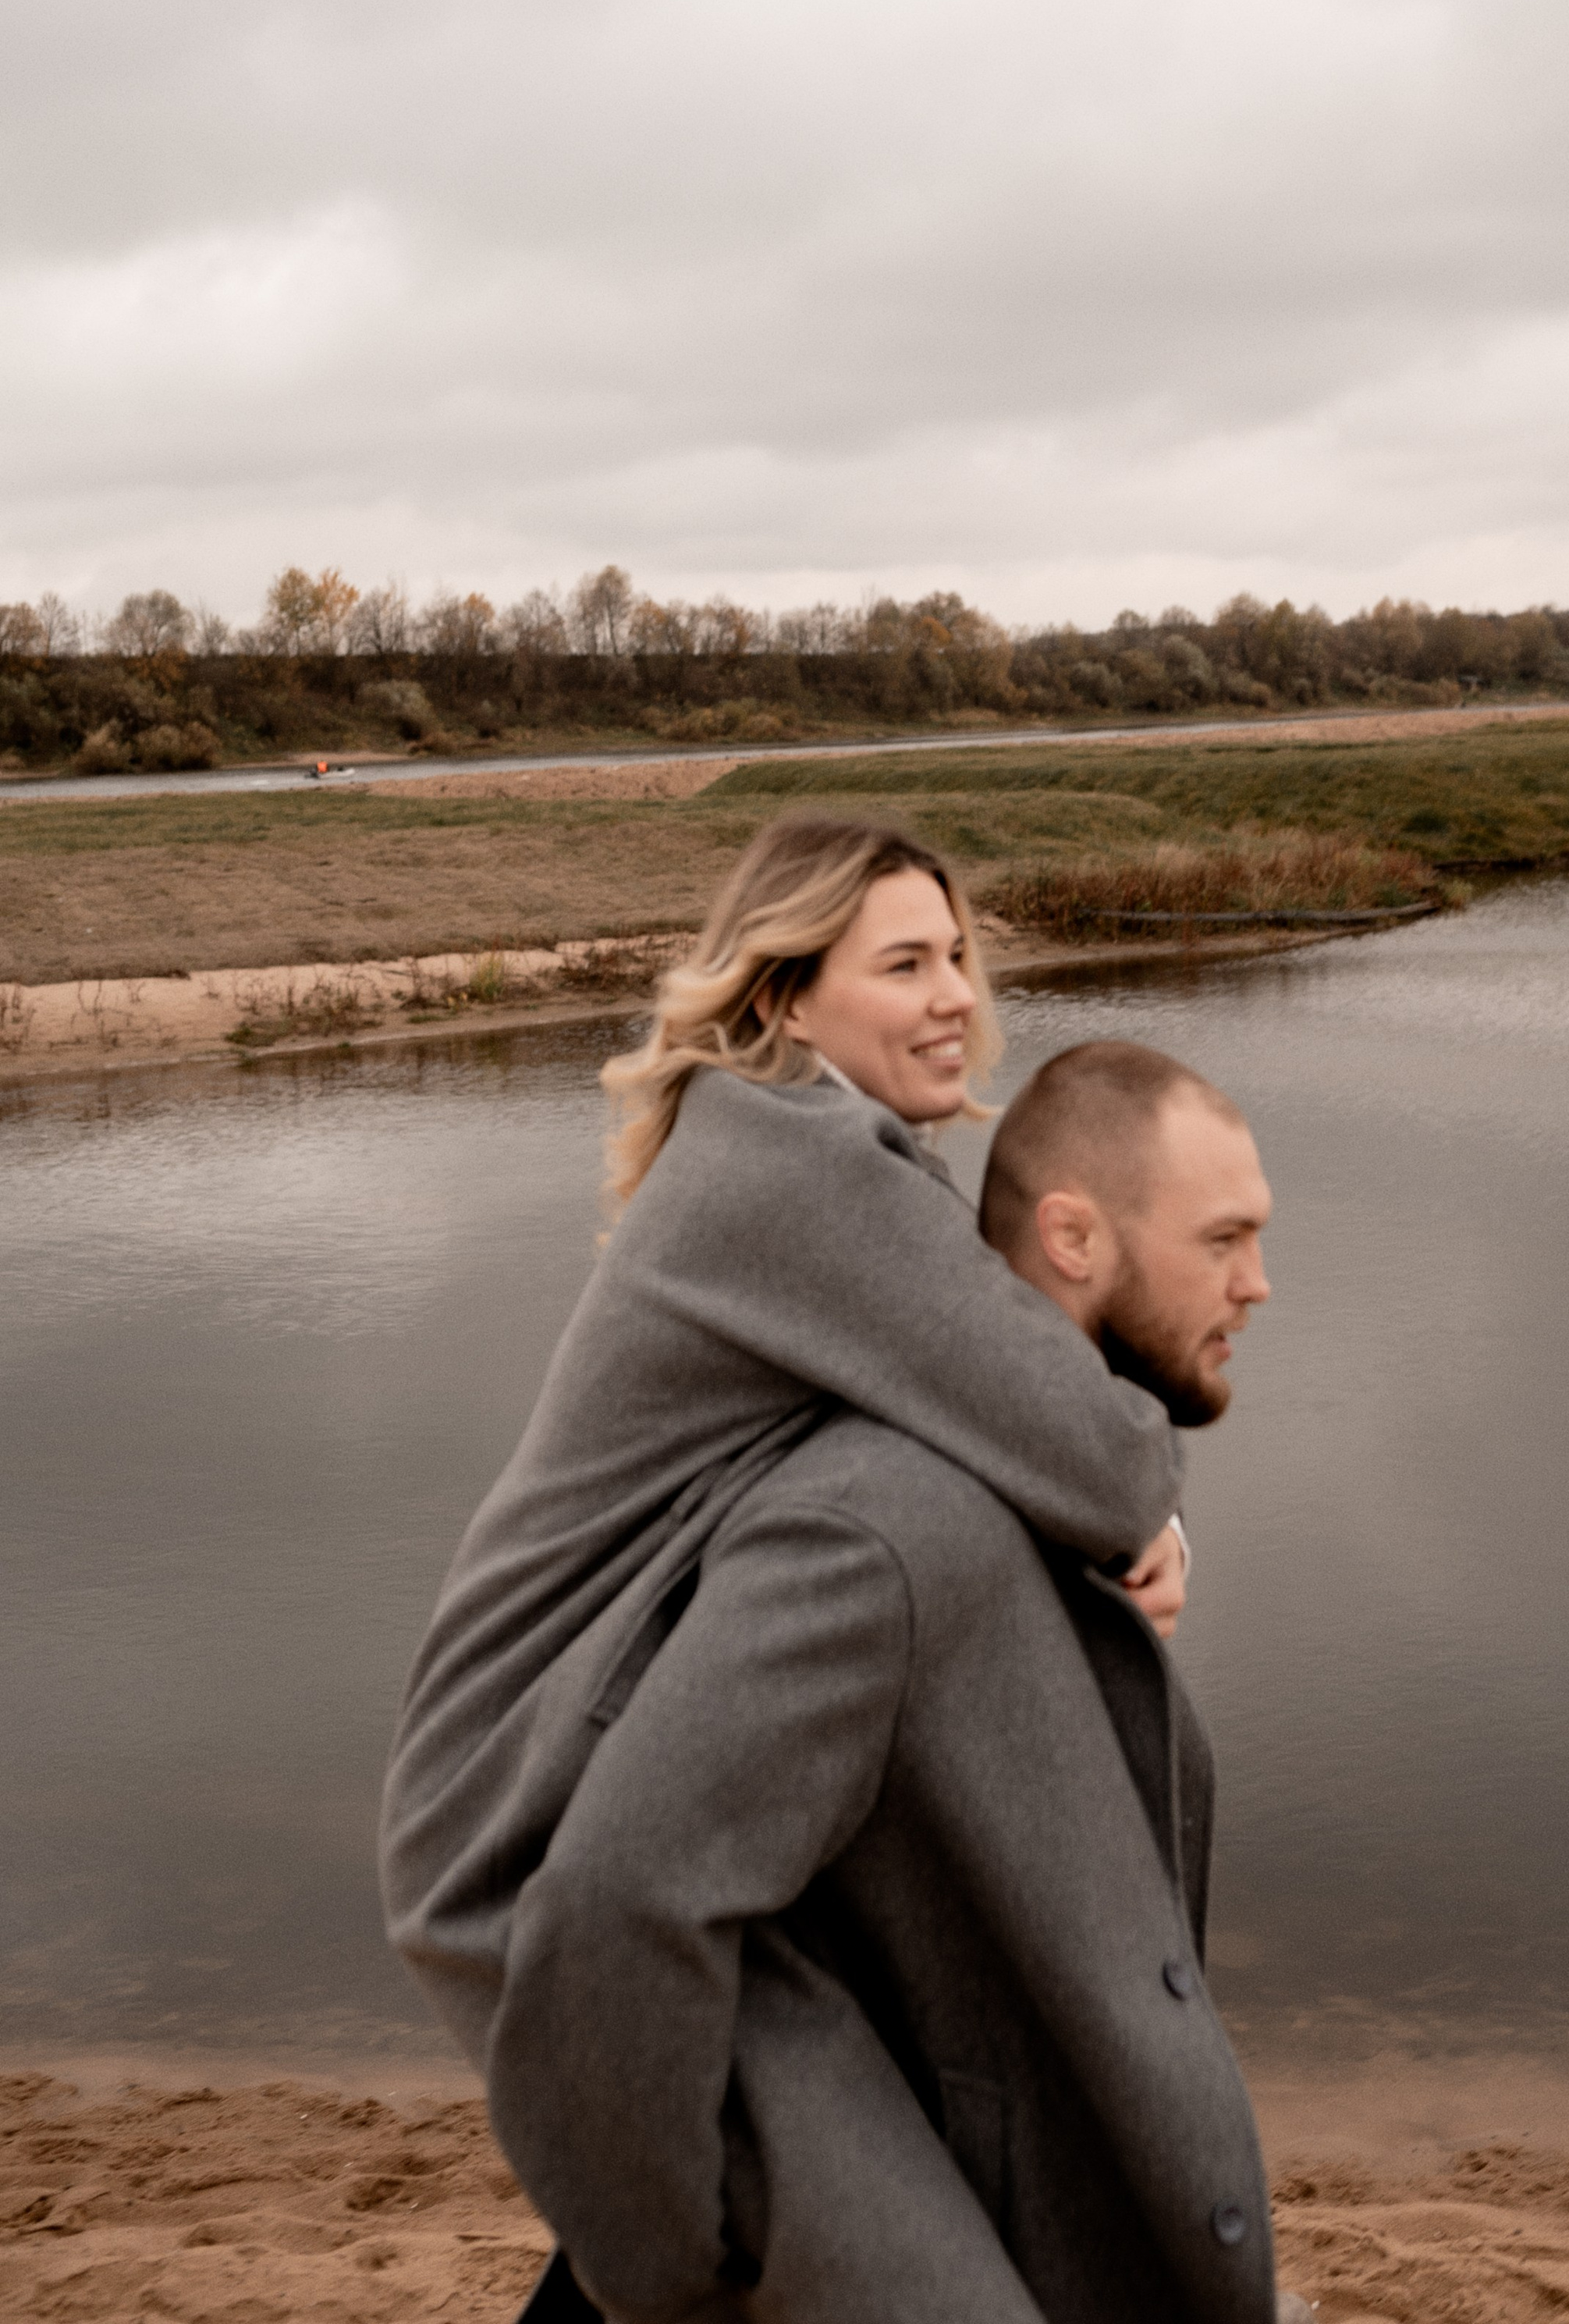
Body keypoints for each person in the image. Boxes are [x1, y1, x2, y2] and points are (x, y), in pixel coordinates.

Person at [382, 813, 1185, 2081]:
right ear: (789, 999)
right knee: (771, 2216)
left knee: (770, 2212)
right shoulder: (800, 1165)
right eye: (905, 965)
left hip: (620, 1763)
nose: (956, 999)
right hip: (540, 1806)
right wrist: (1142, 1510)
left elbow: (993, 1410)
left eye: (958, 957)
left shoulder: (782, 1137)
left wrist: (1130, 1511)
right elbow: (1100, 1459)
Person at [496, 1039, 1287, 2324]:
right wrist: (676, 2276)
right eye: (1224, 1239)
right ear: (1075, 1239)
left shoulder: (1023, 1488)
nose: (1258, 1284)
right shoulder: (887, 1525)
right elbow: (614, 1905)